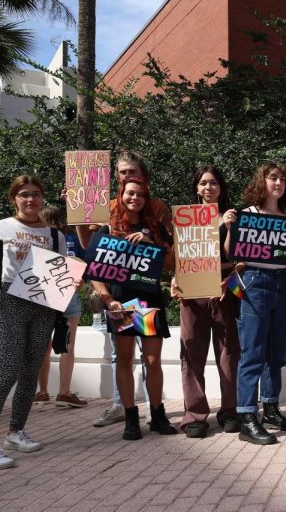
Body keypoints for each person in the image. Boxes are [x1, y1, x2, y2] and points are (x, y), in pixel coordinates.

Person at [0, 176, 68, 469]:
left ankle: (15, 432)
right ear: (14, 198)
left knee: (30, 371)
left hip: (44, 305)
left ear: (42, 198)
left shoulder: (55, 234)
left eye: (36, 194)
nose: (30, 200)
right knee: (7, 371)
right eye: (24, 195)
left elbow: (59, 273)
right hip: (10, 301)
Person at [89, 178, 178, 440]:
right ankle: (130, 417)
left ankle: (158, 414)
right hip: (121, 302)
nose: (135, 198)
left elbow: (171, 263)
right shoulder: (107, 227)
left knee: (152, 361)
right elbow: (95, 268)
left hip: (148, 301)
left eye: (140, 194)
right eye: (130, 193)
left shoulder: (156, 227)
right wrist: (107, 299)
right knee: (125, 359)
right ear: (121, 194)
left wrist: (151, 242)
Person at [224, 161, 286, 445]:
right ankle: (247, 416)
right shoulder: (248, 214)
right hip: (256, 283)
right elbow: (231, 252)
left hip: (283, 283)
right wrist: (229, 227)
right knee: (253, 351)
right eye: (272, 178)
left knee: (276, 353)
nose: (278, 183)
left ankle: (270, 408)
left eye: (282, 178)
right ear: (262, 182)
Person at [171, 166, 242, 438]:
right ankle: (195, 415)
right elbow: (178, 257)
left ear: (221, 188)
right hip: (192, 291)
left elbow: (240, 260)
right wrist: (175, 280)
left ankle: (230, 411)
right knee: (191, 353)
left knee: (229, 353)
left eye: (213, 183)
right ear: (196, 188)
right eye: (203, 183)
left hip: (224, 289)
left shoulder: (232, 216)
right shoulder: (185, 219)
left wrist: (227, 226)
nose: (208, 188)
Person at [34, 206, 86, 408]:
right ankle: (64, 392)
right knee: (67, 344)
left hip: (43, 294)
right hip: (68, 292)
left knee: (42, 346)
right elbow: (84, 264)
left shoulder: (39, 239)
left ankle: (42, 391)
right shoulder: (71, 238)